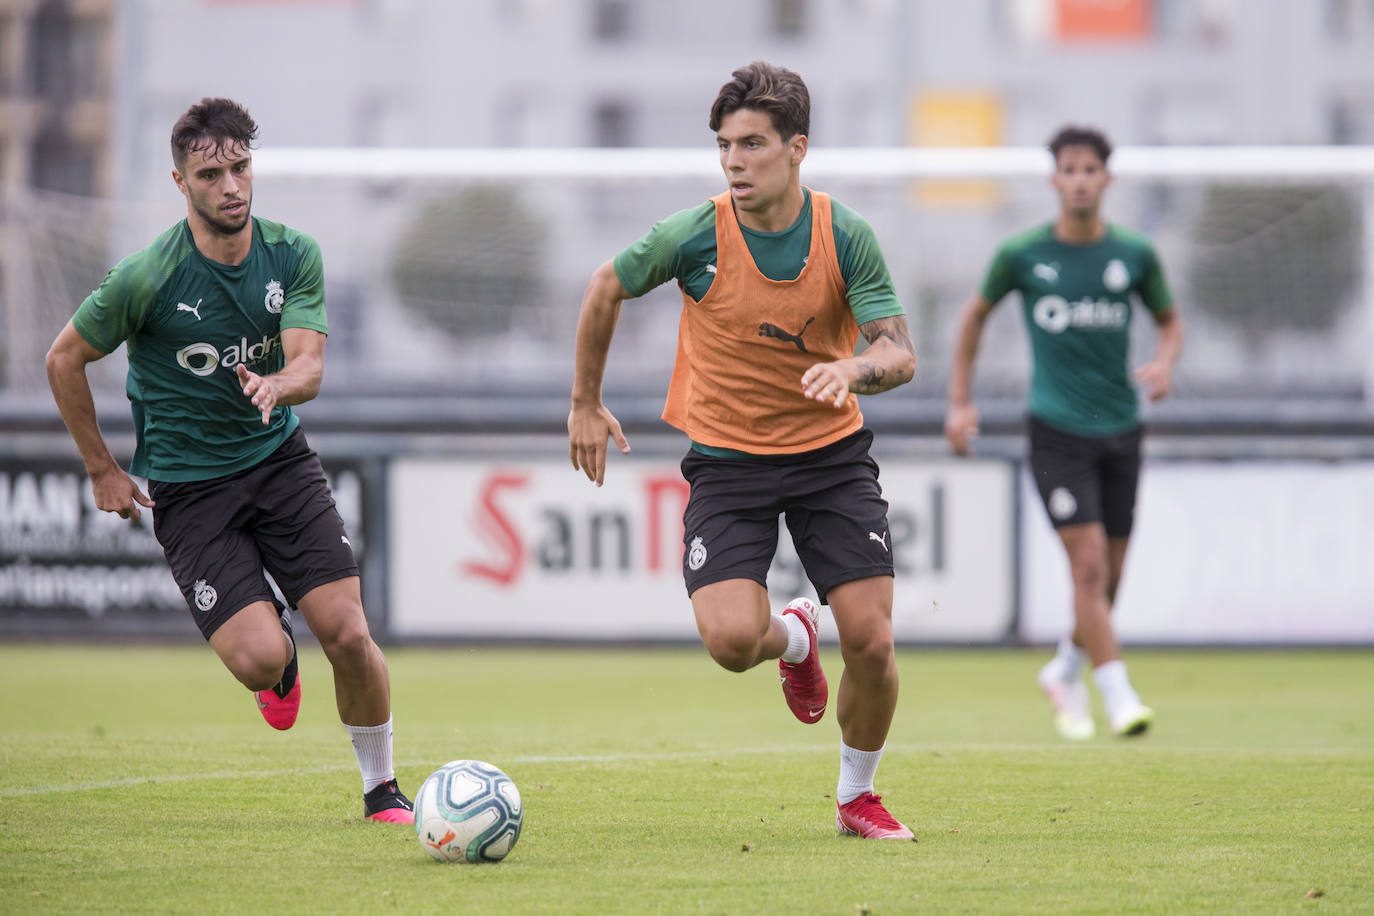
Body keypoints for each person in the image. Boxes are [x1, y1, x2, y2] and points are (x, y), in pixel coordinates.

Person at [568, 62, 918, 839]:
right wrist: (585, 402)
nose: (734, 161)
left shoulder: (844, 234)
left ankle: (857, 796)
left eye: (752, 144)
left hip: (830, 458)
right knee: (730, 643)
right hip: (727, 462)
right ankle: (794, 636)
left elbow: (899, 352)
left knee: (871, 639)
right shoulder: (694, 234)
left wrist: (853, 368)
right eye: (725, 145)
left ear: (797, 148)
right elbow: (603, 287)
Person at [45, 98, 413, 823]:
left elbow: (308, 363)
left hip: (280, 462)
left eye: (241, 168)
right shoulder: (147, 277)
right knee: (259, 659)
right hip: (189, 488)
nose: (232, 187)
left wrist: (277, 383)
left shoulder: (292, 253)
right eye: (211, 175)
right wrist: (102, 469)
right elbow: (63, 359)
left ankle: (382, 790)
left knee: (349, 632)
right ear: (180, 182)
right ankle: (278, 661)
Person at [944, 124, 1184, 740]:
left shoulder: (1133, 254)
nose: (1079, 180)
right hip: (1054, 432)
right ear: (1055, 179)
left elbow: (1170, 319)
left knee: (1111, 577)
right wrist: (960, 402)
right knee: (1088, 570)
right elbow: (973, 318)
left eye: (1090, 170)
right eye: (1069, 169)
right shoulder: (1022, 254)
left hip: (1122, 431)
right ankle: (1119, 693)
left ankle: (1064, 670)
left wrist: (1164, 362)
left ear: (1106, 179)